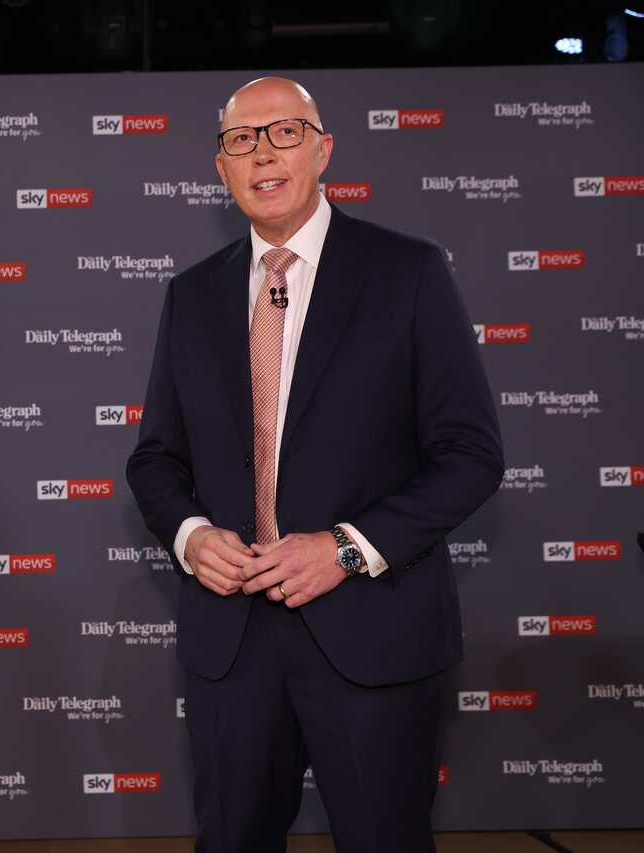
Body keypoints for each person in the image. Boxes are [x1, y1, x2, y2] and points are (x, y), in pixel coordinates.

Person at [126, 78, 503, 852]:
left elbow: (471, 454)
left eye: (284, 133)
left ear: (324, 149)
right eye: (241, 140)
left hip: (374, 632)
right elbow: (156, 458)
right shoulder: (190, 295)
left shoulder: (408, 272)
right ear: (220, 170)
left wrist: (343, 548)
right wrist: (192, 535)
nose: (262, 152)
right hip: (232, 643)